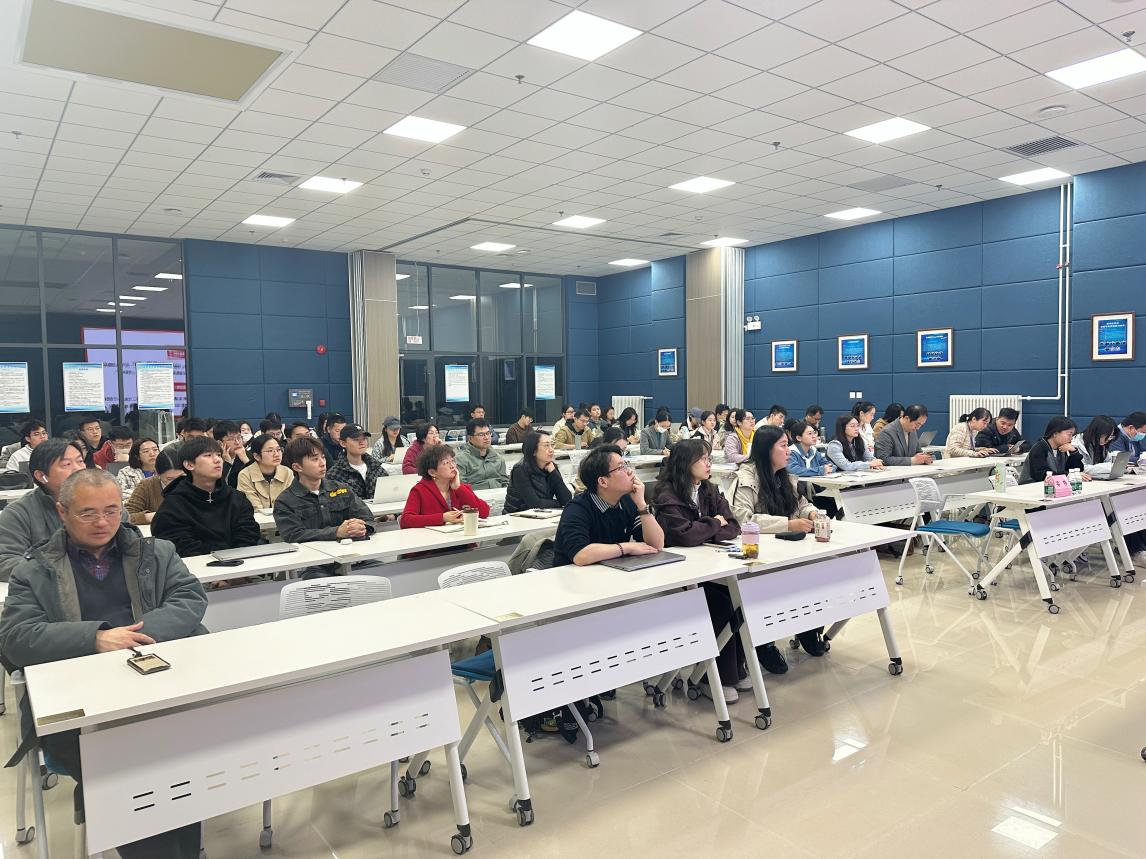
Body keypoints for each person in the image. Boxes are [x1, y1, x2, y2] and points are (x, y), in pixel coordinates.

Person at [0, 468, 208, 859]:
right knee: (131, 770)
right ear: (62, 512)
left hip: (155, 689)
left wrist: (134, 637)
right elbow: (15, 636)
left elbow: (189, 599)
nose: (102, 522)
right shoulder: (35, 569)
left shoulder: (155, 553)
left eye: (112, 511)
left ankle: (186, 850)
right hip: (78, 707)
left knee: (180, 758)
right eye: (88, 513)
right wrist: (94, 638)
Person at [654, 439, 745, 701]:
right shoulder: (667, 496)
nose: (709, 463)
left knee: (738, 596)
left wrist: (706, 528)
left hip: (707, 567)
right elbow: (684, 536)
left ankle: (736, 669)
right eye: (703, 459)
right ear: (686, 463)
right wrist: (714, 524)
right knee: (720, 603)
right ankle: (710, 678)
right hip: (677, 573)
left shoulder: (709, 489)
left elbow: (733, 526)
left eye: (709, 458)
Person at [732, 425, 825, 661]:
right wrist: (788, 524)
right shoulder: (746, 478)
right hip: (760, 553)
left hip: (788, 548)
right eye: (783, 446)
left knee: (817, 574)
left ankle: (808, 627)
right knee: (773, 586)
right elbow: (744, 519)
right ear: (766, 450)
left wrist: (812, 513)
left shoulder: (784, 476)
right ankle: (764, 642)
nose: (788, 451)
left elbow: (801, 504)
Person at [273, 436, 376, 578]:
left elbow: (368, 518)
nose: (322, 463)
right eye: (315, 459)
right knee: (321, 580)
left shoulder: (342, 489)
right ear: (297, 467)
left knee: (383, 571)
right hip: (311, 563)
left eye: (323, 457)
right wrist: (336, 532)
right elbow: (294, 535)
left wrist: (359, 527)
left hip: (350, 556)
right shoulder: (285, 501)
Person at [551, 444, 664, 567]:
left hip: (611, 571)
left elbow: (656, 545)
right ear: (603, 481)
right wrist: (627, 547)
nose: (630, 471)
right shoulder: (577, 508)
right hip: (572, 575)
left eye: (626, 465)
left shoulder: (628, 501)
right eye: (621, 467)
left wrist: (641, 505)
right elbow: (580, 555)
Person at [151, 436, 261, 557]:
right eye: (208, 455)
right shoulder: (174, 504)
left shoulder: (236, 498)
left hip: (240, 562)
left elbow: (248, 533)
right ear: (189, 465)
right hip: (195, 565)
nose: (217, 460)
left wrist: (236, 557)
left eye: (219, 455)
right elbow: (178, 543)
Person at [0, 440, 86, 580]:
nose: (78, 469)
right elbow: (5, 562)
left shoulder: (104, 503)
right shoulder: (18, 513)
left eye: (80, 461)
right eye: (67, 464)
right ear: (41, 476)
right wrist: (64, 569)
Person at [400, 444, 490, 528]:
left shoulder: (460, 488)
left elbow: (484, 512)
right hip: (433, 538)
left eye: (452, 461)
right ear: (432, 472)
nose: (452, 466)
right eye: (446, 463)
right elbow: (405, 520)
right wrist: (442, 518)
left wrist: (459, 489)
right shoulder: (419, 490)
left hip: (460, 537)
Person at [505, 430, 572, 513]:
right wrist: (559, 504)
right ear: (533, 450)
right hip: (517, 515)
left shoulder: (551, 467)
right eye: (546, 446)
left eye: (552, 445)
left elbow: (567, 500)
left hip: (543, 514)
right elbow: (534, 504)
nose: (551, 450)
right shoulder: (520, 470)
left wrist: (554, 473)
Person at [786, 420, 839, 518]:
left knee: (836, 506)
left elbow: (829, 465)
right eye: (809, 434)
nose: (814, 436)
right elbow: (794, 470)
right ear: (799, 438)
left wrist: (829, 468)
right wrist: (820, 470)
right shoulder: (791, 452)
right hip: (798, 494)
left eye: (814, 433)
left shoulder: (814, 451)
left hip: (815, 491)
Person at [327, 423, 387, 499]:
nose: (362, 442)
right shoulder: (334, 474)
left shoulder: (376, 468)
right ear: (343, 443)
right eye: (356, 439)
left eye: (364, 438)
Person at [236, 434, 295, 511]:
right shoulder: (245, 475)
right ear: (257, 456)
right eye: (270, 451)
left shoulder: (287, 472)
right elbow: (254, 508)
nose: (277, 454)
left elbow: (291, 503)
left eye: (278, 449)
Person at [1020, 417, 1087, 484]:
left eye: (1072, 435)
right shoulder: (1039, 449)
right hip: (1031, 486)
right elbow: (1041, 475)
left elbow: (1075, 470)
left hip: (1055, 485)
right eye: (1069, 434)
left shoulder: (1062, 448)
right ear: (1055, 433)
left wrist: (1073, 452)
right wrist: (1068, 475)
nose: (1071, 438)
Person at [126, 451, 182, 525]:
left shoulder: (195, 482)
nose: (177, 482)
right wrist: (153, 516)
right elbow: (126, 516)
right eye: (169, 479)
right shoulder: (147, 486)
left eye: (182, 476)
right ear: (157, 474)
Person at [454, 418, 509, 490]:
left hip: (498, 495)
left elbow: (505, 482)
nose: (486, 438)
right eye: (481, 434)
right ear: (470, 438)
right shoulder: (460, 460)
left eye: (488, 433)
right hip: (475, 495)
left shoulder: (498, 458)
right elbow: (461, 487)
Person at [211, 419, 251, 488]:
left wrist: (246, 460)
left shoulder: (248, 455)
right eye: (231, 439)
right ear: (219, 443)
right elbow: (216, 485)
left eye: (239, 437)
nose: (237, 442)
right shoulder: (212, 459)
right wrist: (227, 463)